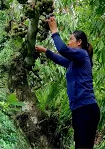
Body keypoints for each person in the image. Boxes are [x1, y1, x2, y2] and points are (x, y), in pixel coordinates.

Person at [35, 16, 100, 148]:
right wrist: (45, 51)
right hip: (79, 110)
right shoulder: (74, 62)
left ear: (79, 42)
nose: (69, 42)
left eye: (71, 39)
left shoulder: (82, 54)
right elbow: (60, 59)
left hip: (86, 109)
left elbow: (63, 50)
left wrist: (54, 31)